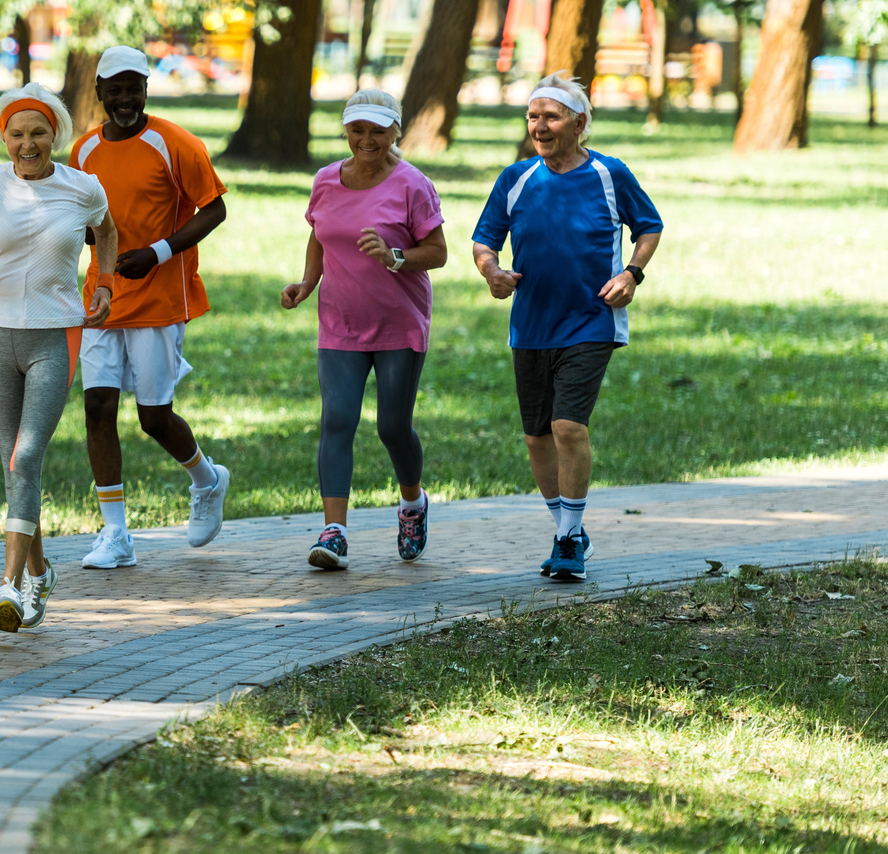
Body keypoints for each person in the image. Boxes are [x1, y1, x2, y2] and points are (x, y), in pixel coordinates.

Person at [0, 84, 120, 631]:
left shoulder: (82, 187)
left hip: (55, 333)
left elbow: (105, 233)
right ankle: (39, 574)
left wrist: (103, 286)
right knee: (13, 460)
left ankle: (11, 585)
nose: (27, 143)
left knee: (27, 455)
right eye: (17, 133)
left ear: (54, 135)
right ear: (4, 137)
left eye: (38, 132)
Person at [470, 72, 663, 582]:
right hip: (531, 323)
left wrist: (632, 274)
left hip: (591, 318)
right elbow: (485, 240)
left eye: (550, 117)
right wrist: (492, 272)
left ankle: (567, 540)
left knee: (567, 427)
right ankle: (570, 533)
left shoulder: (609, 173)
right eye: (533, 117)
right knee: (536, 439)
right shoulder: (515, 178)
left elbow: (649, 226)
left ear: (579, 122)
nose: (539, 126)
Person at [67, 45, 231, 569]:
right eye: (114, 90)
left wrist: (158, 252)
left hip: (160, 298)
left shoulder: (174, 142)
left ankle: (207, 479)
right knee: (98, 409)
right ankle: (115, 533)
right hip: (102, 297)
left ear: (145, 88)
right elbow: (84, 220)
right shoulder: (84, 151)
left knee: (154, 417)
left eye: (133, 87)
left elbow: (216, 207)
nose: (125, 99)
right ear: (99, 94)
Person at [280, 90, 448, 570]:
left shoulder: (413, 185)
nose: (366, 140)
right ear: (346, 130)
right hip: (340, 322)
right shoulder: (326, 180)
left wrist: (395, 256)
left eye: (378, 131)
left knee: (393, 428)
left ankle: (413, 503)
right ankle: (334, 532)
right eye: (357, 130)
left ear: (396, 130)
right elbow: (319, 233)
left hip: (399, 321)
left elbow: (437, 253)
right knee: (337, 419)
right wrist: (307, 283)